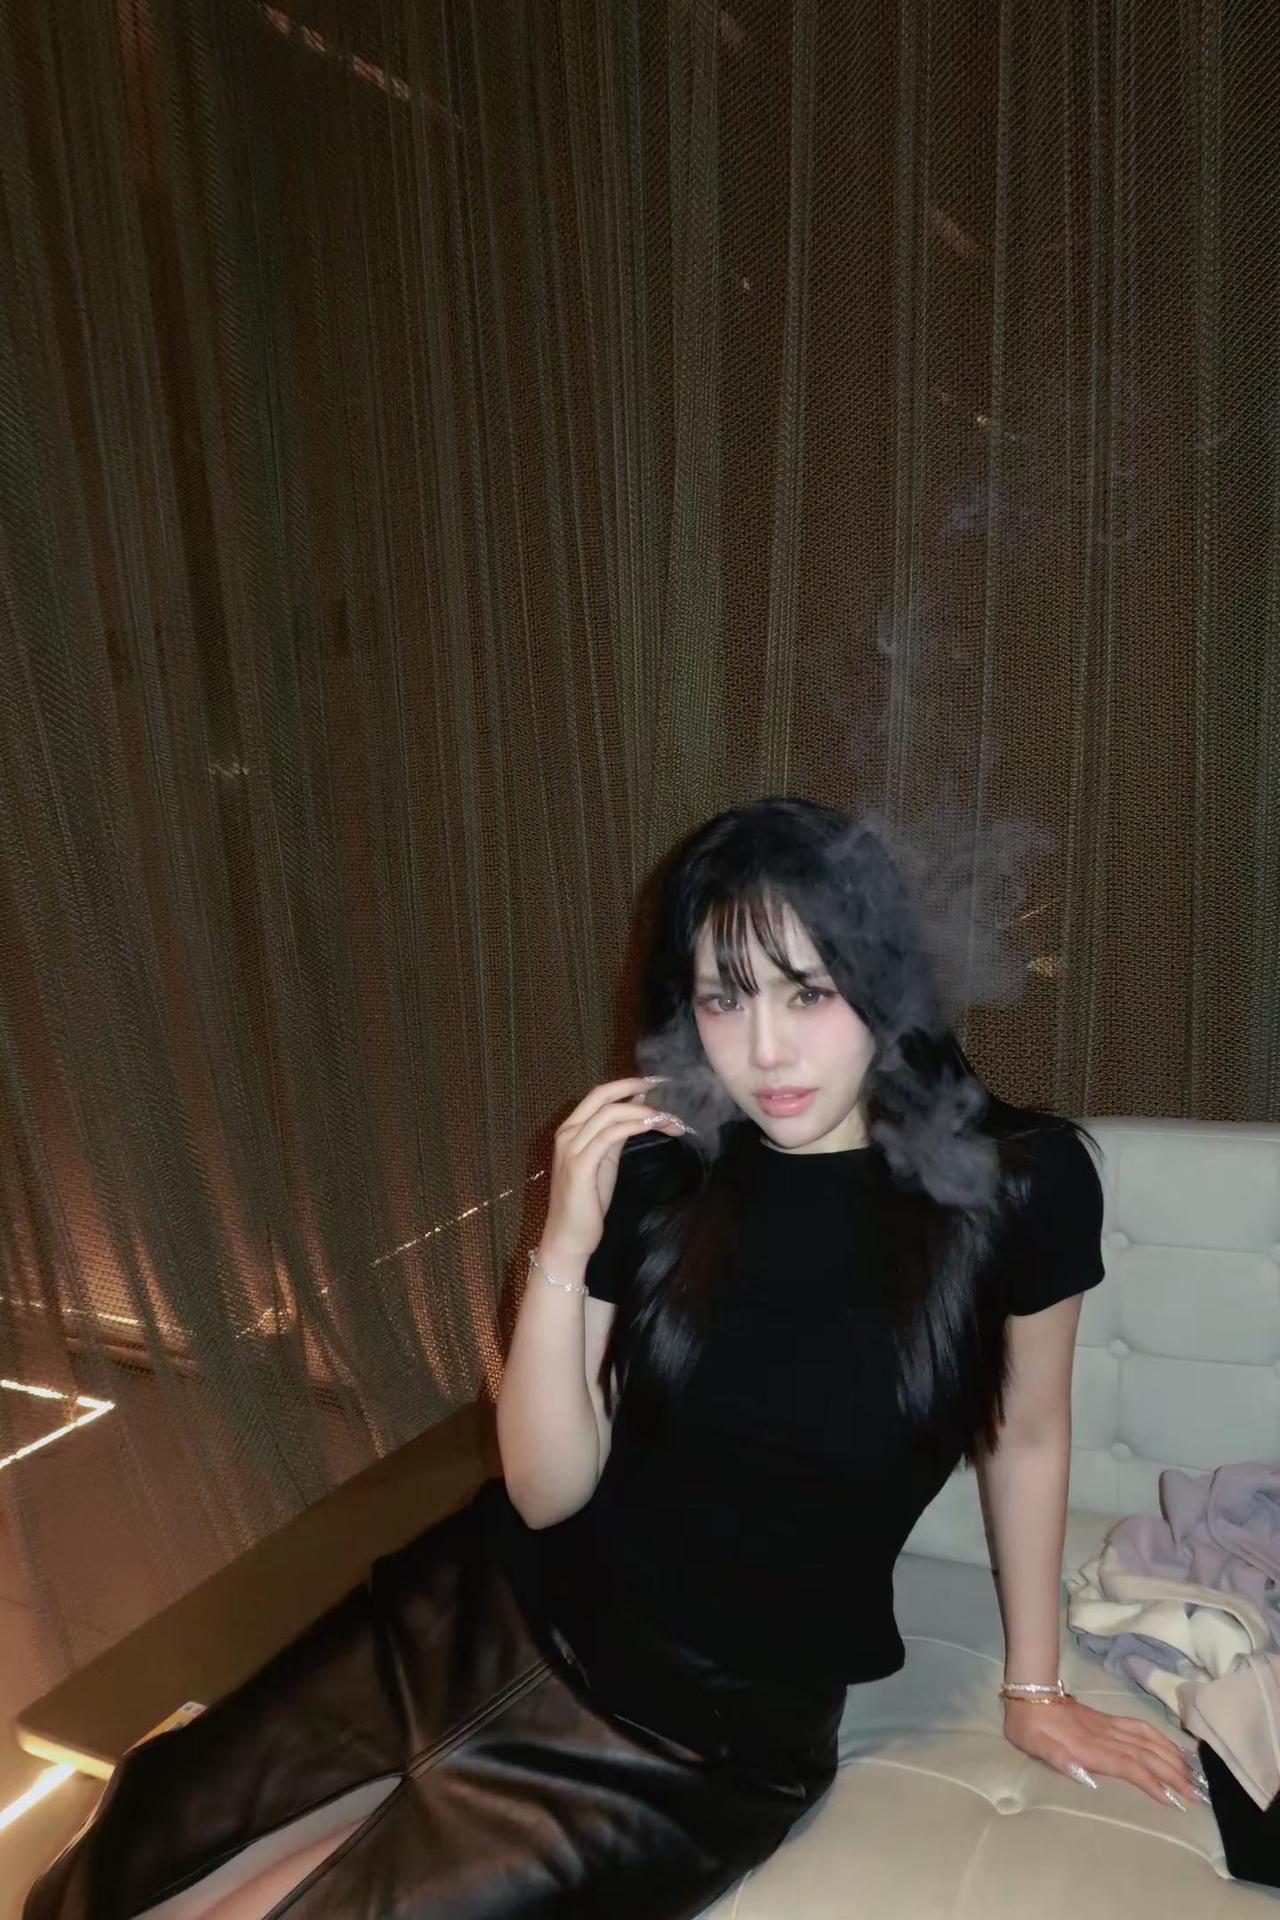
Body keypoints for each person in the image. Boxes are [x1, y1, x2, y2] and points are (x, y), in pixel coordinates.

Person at [24, 798, 1207, 1920]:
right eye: (721, 998)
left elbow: (1028, 1434)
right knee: (128, 1862)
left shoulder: (1016, 1186)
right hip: (480, 1606)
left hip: (689, 1743)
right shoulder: (663, 1169)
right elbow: (546, 1493)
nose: (763, 1049)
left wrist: (1033, 1689)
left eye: (806, 992)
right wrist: (562, 1239)